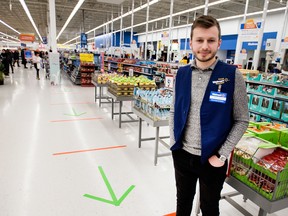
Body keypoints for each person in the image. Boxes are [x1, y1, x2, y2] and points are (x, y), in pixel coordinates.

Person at [169, 15, 249, 216]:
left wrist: (222, 155)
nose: (205, 46)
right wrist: (174, 143)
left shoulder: (232, 75)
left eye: (211, 40)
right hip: (182, 155)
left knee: (210, 208)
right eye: (200, 40)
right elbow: (174, 110)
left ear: (219, 43)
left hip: (212, 159)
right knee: (183, 203)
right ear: (191, 43)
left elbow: (241, 119)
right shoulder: (182, 73)